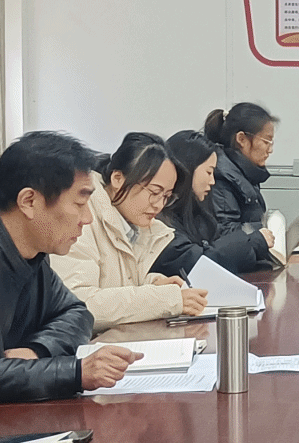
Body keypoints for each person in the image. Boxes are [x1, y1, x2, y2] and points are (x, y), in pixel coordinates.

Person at [0, 131, 139, 402]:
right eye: (79, 203)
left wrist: (38, 350)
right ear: (29, 201)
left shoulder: (32, 253)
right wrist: (74, 373)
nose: (87, 218)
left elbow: (77, 313)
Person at [56, 132, 210, 332]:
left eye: (166, 196)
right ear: (118, 178)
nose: (159, 205)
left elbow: (116, 284)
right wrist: (164, 299)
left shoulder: (134, 224)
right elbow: (81, 303)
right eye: (154, 192)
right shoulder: (83, 217)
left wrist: (153, 284)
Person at [150, 129, 256, 280]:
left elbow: (219, 238)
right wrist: (253, 242)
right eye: (208, 172)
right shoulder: (159, 220)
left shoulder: (196, 211)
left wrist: (253, 239)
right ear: (188, 169)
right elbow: (199, 263)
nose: (212, 181)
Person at [200, 103, 281, 274]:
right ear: (242, 139)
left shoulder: (243, 172)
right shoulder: (222, 176)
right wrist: (263, 237)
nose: (270, 150)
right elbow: (225, 233)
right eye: (266, 141)